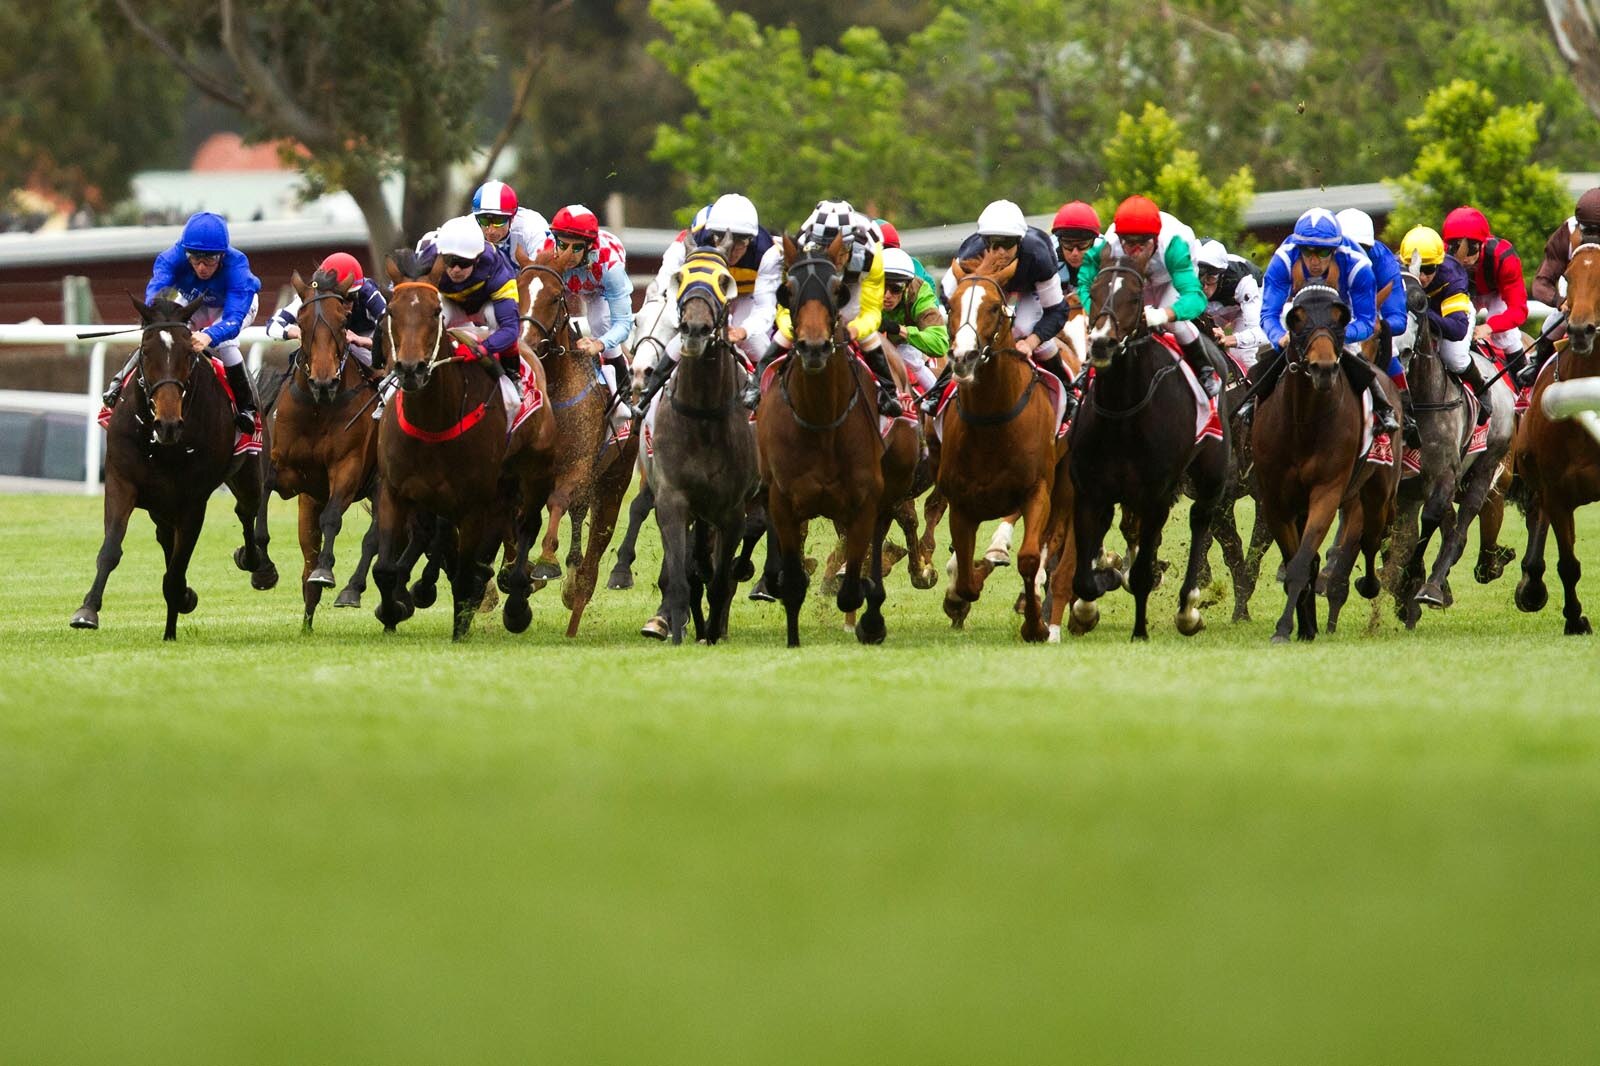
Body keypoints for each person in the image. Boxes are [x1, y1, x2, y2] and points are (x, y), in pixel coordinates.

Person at [103, 211, 262, 433]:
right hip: (195, 301)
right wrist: (154, 317)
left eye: (210, 259)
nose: (201, 267)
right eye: (195, 258)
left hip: (234, 307)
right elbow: (157, 290)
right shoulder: (171, 258)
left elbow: (233, 320)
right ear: (185, 252)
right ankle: (119, 381)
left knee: (225, 345)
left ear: (223, 255)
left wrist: (209, 335)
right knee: (163, 336)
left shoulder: (238, 267)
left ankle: (247, 408)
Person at [745, 199, 902, 416]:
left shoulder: (870, 255)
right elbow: (786, 307)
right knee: (788, 332)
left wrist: (856, 329)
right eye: (824, 249)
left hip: (854, 281)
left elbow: (872, 311)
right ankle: (755, 386)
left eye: (842, 250)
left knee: (860, 328)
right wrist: (792, 328)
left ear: (851, 244)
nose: (835, 257)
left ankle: (889, 392)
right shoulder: (801, 249)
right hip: (815, 280)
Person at [919, 199, 1073, 415]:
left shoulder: (1039, 256)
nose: (1000, 251)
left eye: (1007, 244)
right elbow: (949, 296)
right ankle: (939, 391)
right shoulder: (970, 254)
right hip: (988, 286)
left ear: (1019, 241)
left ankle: (1068, 389)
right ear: (983, 241)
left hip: (1030, 286)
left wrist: (1031, 341)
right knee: (967, 339)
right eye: (992, 243)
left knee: (1022, 328)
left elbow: (1057, 310)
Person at [1252, 207, 1397, 433]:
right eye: (1307, 251)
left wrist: (1336, 335)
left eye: (1322, 252)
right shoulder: (1283, 259)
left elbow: (1367, 321)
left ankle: (1383, 409)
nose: (1314, 261)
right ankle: (1250, 409)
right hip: (1300, 312)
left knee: (1355, 357)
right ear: (1298, 248)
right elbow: (1269, 314)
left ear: (1335, 249)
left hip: (1340, 314)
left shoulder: (1358, 265)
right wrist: (1279, 337)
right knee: (1268, 360)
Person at [635, 193, 782, 415]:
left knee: (758, 344)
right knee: (677, 343)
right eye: (720, 238)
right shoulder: (693, 239)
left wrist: (743, 331)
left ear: (751, 240)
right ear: (711, 234)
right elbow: (666, 284)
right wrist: (682, 319)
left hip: (745, 297)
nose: (731, 249)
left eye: (741, 242)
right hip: (705, 298)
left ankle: (772, 407)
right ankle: (647, 403)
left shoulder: (767, 253)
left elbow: (765, 308)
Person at [1075, 195, 1221, 398]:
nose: (1135, 251)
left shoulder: (1174, 245)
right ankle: (1089, 364)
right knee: (1111, 316)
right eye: (1128, 243)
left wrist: (1163, 314)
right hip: (1134, 278)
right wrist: (1095, 313)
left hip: (1169, 278)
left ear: (1155, 238)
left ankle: (1205, 368)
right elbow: (1084, 281)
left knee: (1173, 324)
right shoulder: (1109, 245)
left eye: (1142, 243)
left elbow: (1195, 298)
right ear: (1120, 238)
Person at [541, 204, 636, 422]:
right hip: (566, 284)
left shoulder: (610, 265)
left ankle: (623, 396)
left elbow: (623, 324)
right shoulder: (545, 252)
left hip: (599, 288)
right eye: (562, 245)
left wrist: (599, 344)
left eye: (576, 248)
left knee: (600, 321)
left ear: (590, 246)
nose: (567, 254)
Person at [1336, 207, 1417, 442]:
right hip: (1332, 315)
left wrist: (1379, 324)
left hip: (1369, 316)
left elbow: (1398, 319)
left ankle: (1405, 418)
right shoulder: (1321, 256)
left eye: (1363, 249)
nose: (1356, 254)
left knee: (1391, 354)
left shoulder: (1384, 262)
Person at [1399, 224, 1492, 426]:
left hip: (1448, 315)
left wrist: (1423, 312)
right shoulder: (1396, 271)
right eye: (1417, 268)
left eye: (1429, 269)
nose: (1422, 277)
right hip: (1417, 315)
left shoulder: (1452, 276)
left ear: (1439, 264)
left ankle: (1481, 386)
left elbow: (1457, 329)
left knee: (1454, 358)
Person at [418, 214, 523, 376]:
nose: (456, 269)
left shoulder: (499, 271)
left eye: (464, 262)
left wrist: (482, 349)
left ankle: (512, 376)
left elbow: (510, 328)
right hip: (449, 302)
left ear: (477, 259)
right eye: (449, 261)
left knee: (498, 320)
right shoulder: (427, 260)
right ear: (441, 256)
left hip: (484, 305)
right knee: (427, 321)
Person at [264, 252, 388, 369]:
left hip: (368, 339)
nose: (347, 304)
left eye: (351, 296)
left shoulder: (368, 292)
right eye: (340, 299)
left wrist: (362, 341)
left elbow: (391, 332)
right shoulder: (313, 295)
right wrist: (298, 333)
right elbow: (273, 325)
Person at [1443, 205, 1530, 371]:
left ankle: (1522, 376)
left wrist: (1489, 327)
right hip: (1460, 294)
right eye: (1456, 247)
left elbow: (1519, 309)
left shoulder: (1504, 257)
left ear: (1483, 244)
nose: (1464, 257)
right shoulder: (1440, 255)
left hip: (1494, 294)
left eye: (1471, 248)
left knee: (1504, 333)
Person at [878, 247, 946, 396]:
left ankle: (936, 398)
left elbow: (940, 344)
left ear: (907, 286)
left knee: (907, 354)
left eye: (896, 289)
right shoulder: (865, 287)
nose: (887, 295)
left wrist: (898, 329)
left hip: (908, 346)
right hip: (874, 341)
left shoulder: (920, 292)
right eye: (882, 287)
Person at [1193, 237, 1268, 370]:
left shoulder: (1244, 281)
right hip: (1215, 309)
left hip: (1243, 306)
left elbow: (1262, 332)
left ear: (1222, 275)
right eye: (1198, 277)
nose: (1204, 287)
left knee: (1242, 355)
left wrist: (1228, 340)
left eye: (1210, 278)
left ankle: (1253, 381)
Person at [466, 180, 549, 264]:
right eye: (484, 221)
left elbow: (542, 268)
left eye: (498, 221)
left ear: (512, 217)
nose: (491, 230)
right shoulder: (466, 227)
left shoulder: (533, 226)